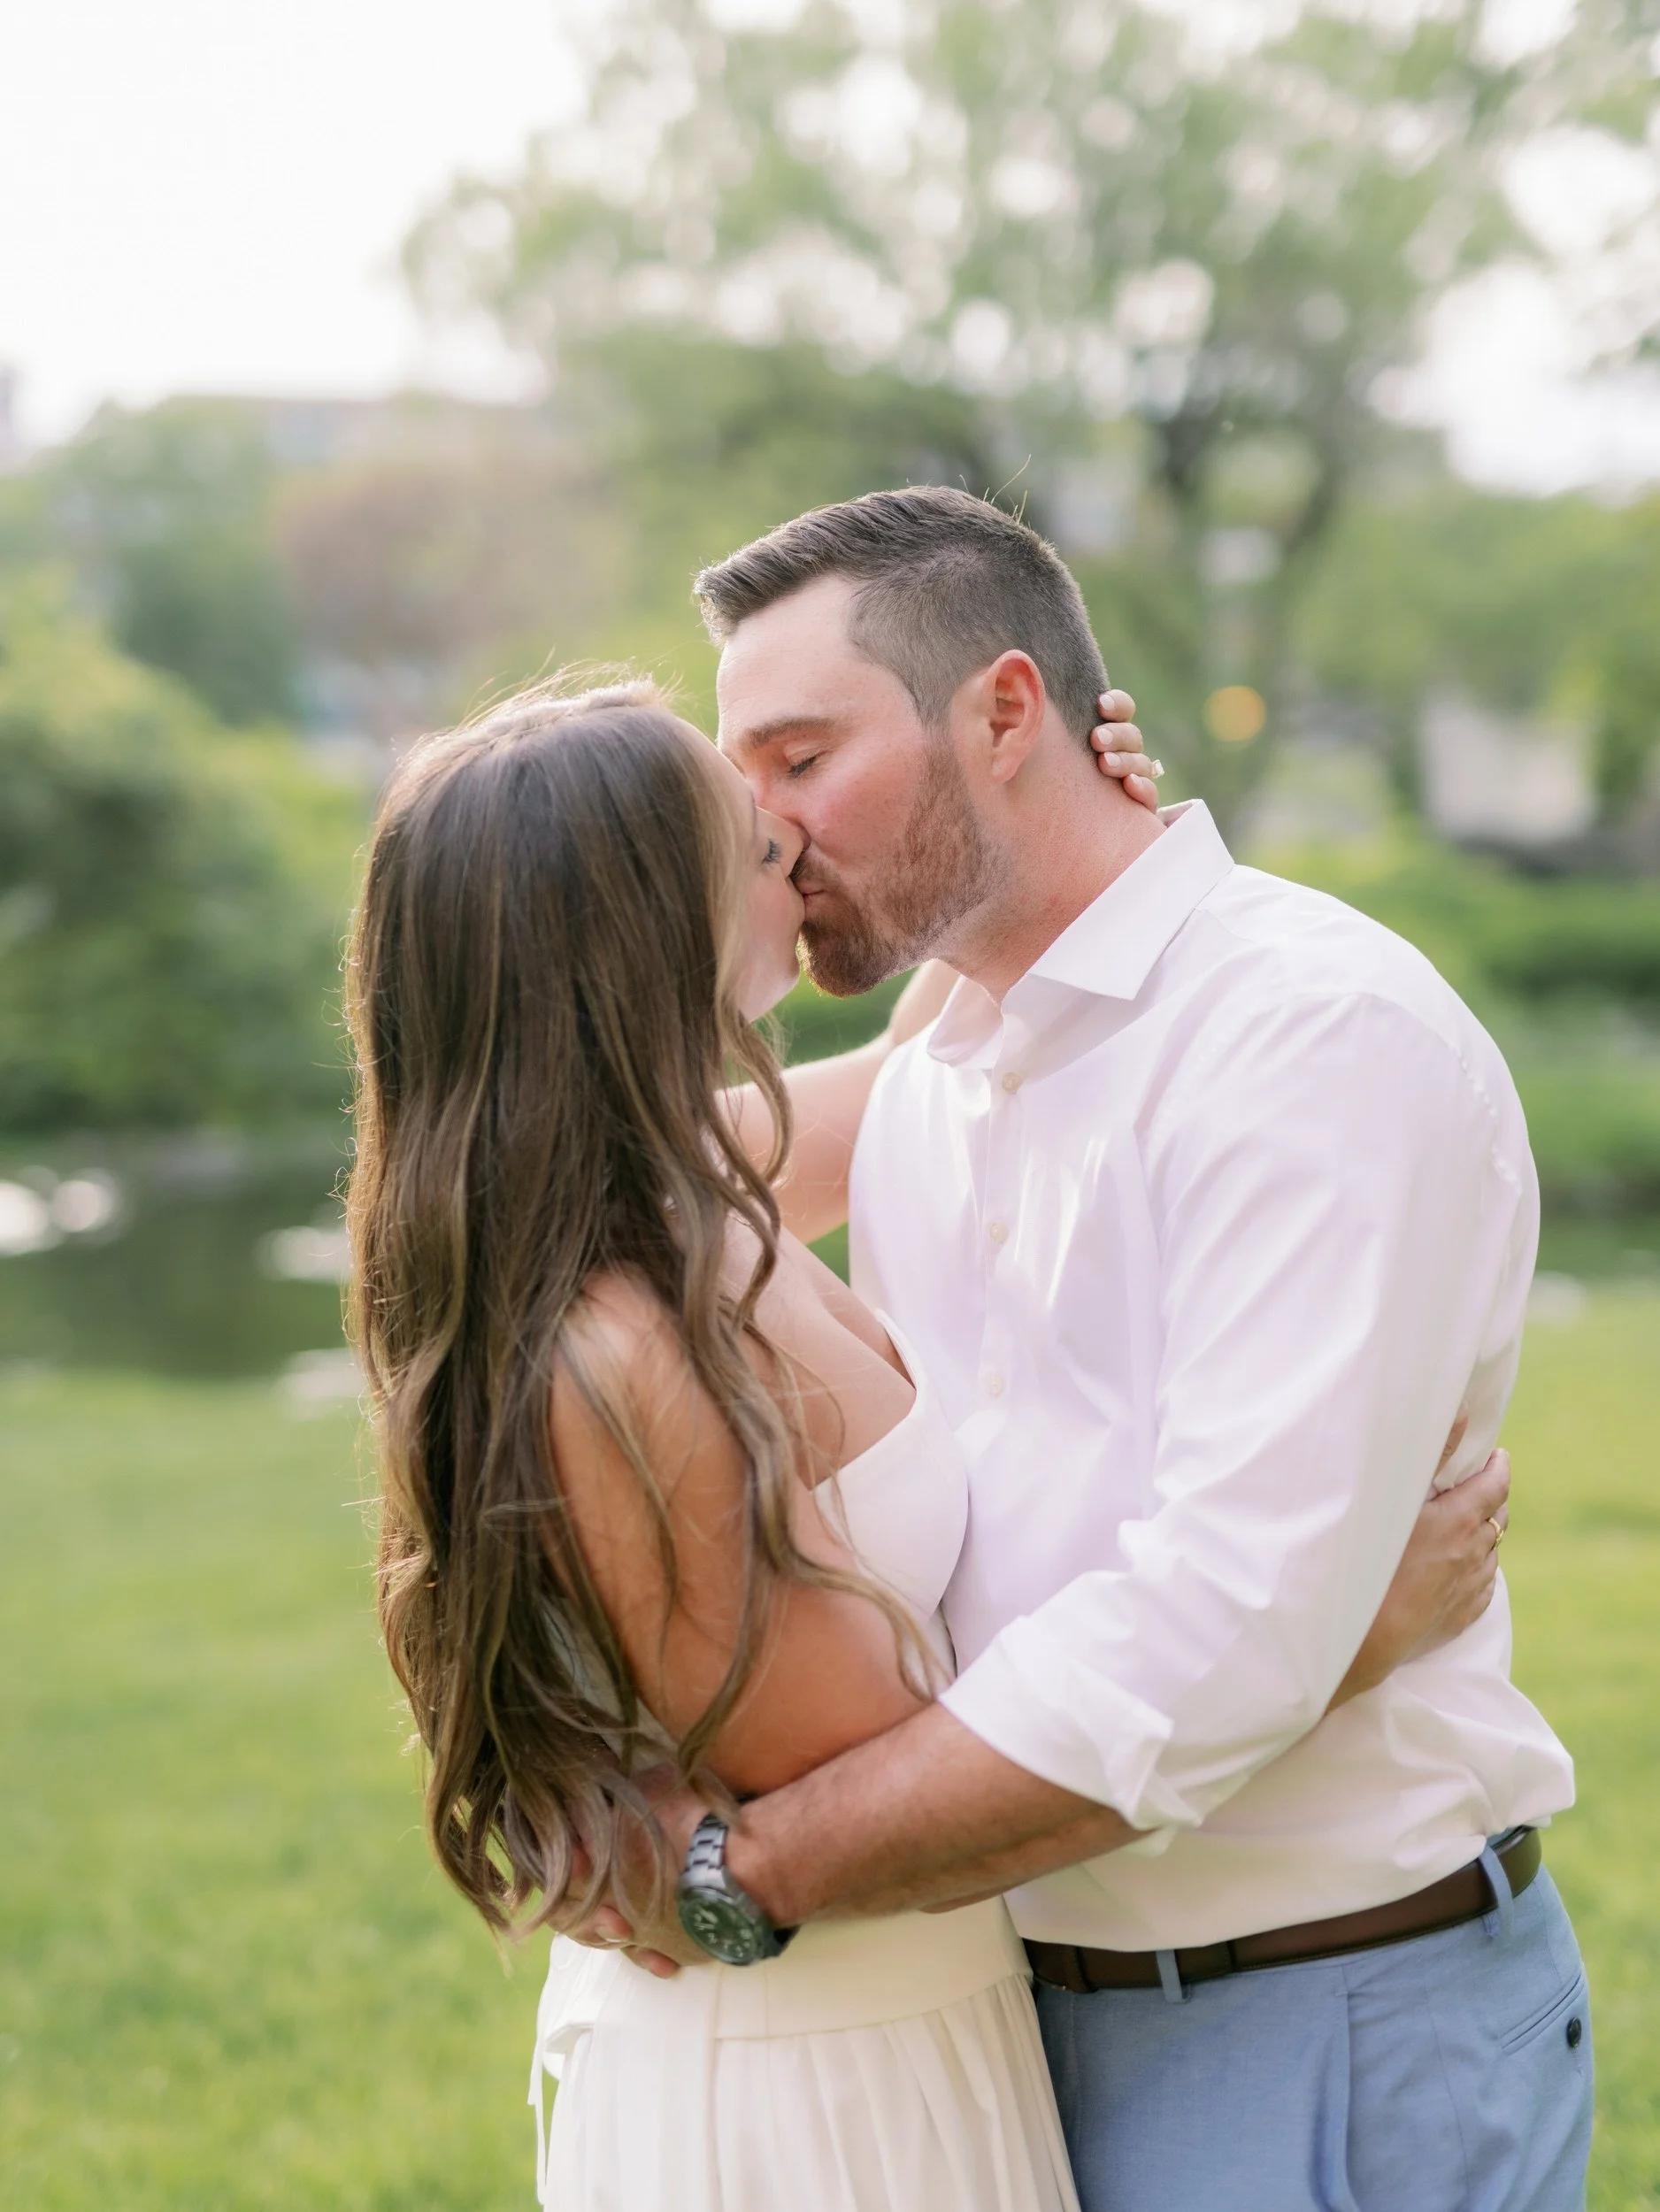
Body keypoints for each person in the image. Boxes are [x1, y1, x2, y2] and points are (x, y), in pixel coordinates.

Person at [344, 675, 1507, 2212]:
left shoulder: (670, 1188)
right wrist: (1326, 1628)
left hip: (896, 2022)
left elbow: (947, 1067)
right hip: (820, 2082)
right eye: (751, 844)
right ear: (646, 932)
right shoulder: (622, 1346)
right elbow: (899, 1769)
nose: (794, 848)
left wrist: (1039, 839)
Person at [579, 487, 1591, 2212]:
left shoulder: (1299, 1037)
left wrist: (742, 1866)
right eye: (736, 775)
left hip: (1302, 2013)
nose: (759, 828)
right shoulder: (950, 1060)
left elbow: (1205, 1634)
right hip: (992, 2027)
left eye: (801, 756)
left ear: (1000, 711)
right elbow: (561, 1170)